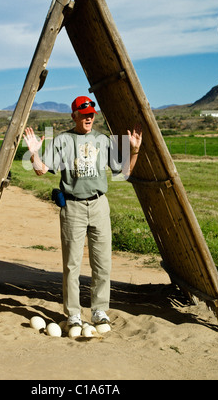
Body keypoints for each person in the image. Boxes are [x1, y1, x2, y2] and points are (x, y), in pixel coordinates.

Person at [23, 96, 142, 327]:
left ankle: (99, 311)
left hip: (99, 205)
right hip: (73, 207)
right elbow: (41, 170)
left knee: (102, 262)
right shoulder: (63, 140)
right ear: (74, 115)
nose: (88, 117)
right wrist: (34, 153)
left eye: (91, 113)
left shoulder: (104, 140)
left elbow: (124, 172)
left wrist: (135, 151)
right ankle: (74, 314)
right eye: (83, 113)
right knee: (71, 264)